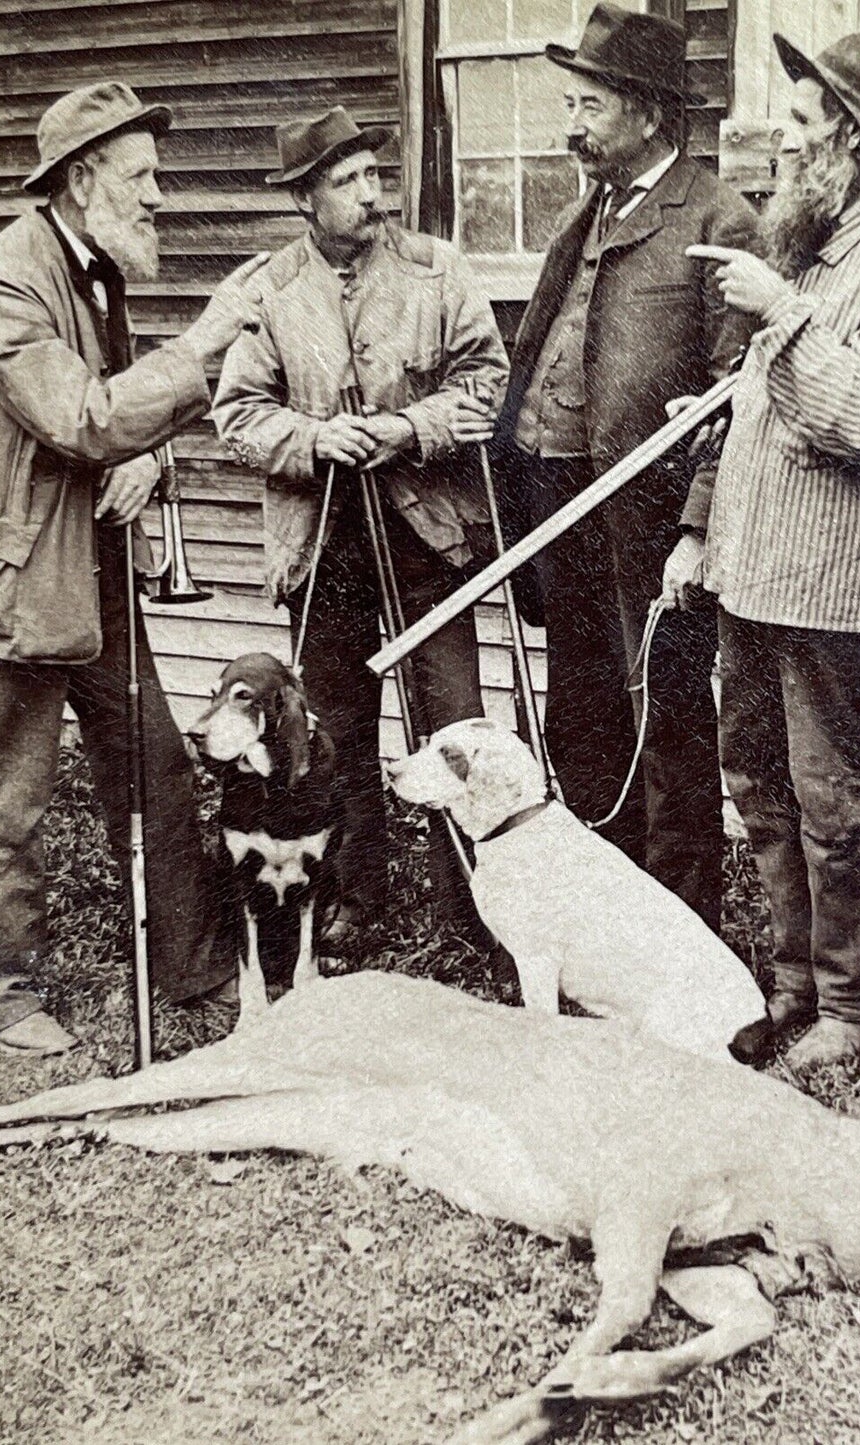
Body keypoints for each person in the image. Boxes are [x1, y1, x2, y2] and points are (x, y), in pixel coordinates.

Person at [0, 82, 267, 1054]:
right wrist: (202, 343)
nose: (159, 196)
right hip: (14, 580)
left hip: (94, 567)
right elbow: (82, 416)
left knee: (152, 758)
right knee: (11, 792)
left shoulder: (94, 268)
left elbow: (115, 423)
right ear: (80, 180)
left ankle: (193, 967)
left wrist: (148, 457)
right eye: (142, 177)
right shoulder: (1, 286)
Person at [668, 33, 860, 1067]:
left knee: (832, 796)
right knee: (757, 778)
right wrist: (701, 522)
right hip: (749, 569)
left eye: (797, 127)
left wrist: (781, 314)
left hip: (825, 584)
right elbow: (774, 408)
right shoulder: (807, 244)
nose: (779, 147)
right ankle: (789, 980)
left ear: (847, 140)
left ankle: (852, 1005)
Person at [214, 108, 509, 950]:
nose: (370, 195)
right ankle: (357, 896)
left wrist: (409, 428)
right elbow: (236, 414)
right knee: (332, 729)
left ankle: (472, 905)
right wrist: (312, 438)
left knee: (453, 719)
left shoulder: (433, 269)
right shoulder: (268, 291)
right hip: (323, 543)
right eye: (345, 183)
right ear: (304, 200)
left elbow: (486, 380)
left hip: (430, 535)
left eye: (373, 176)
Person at [494, 2, 758, 930]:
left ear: (649, 114)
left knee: (666, 715)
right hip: (558, 499)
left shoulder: (718, 217)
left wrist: (694, 524)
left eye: (590, 104)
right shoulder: (587, 212)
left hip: (646, 518)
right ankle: (597, 913)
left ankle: (678, 925)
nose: (572, 123)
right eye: (571, 102)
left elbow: (737, 395)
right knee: (582, 703)